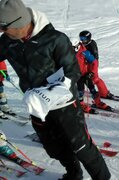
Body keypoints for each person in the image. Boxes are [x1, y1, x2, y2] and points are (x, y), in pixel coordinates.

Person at [0, 0, 110, 179]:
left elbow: (72, 71)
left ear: (19, 23)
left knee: (81, 147)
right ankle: (74, 174)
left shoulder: (55, 39)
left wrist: (50, 93)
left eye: (3, 27)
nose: (1, 31)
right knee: (53, 147)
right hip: (37, 107)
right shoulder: (7, 41)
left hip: (64, 104)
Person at [75, 40, 112, 113]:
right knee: (80, 91)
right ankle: (81, 105)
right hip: (76, 75)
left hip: (85, 74)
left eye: (74, 47)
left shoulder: (84, 52)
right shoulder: (68, 53)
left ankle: (98, 103)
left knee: (92, 89)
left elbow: (94, 62)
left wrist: (92, 72)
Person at [78, 30, 115, 99]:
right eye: (81, 39)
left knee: (95, 79)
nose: (82, 41)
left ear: (88, 38)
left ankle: (105, 93)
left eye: (84, 39)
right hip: (86, 65)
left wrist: (92, 69)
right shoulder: (84, 44)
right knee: (86, 79)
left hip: (92, 64)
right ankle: (82, 90)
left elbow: (94, 58)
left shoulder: (92, 45)